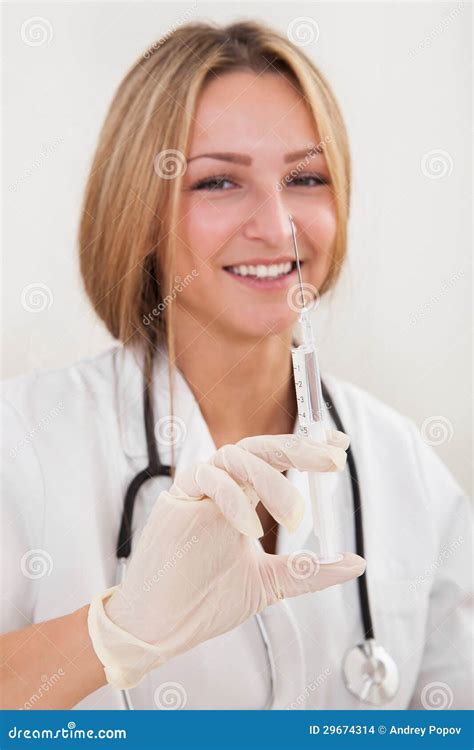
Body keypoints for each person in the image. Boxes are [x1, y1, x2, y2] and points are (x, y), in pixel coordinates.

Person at [1, 20, 471, 711]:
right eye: (219, 182)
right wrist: (117, 634)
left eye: (306, 177)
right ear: (140, 211)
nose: (277, 222)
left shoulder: (404, 465)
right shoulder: (23, 444)